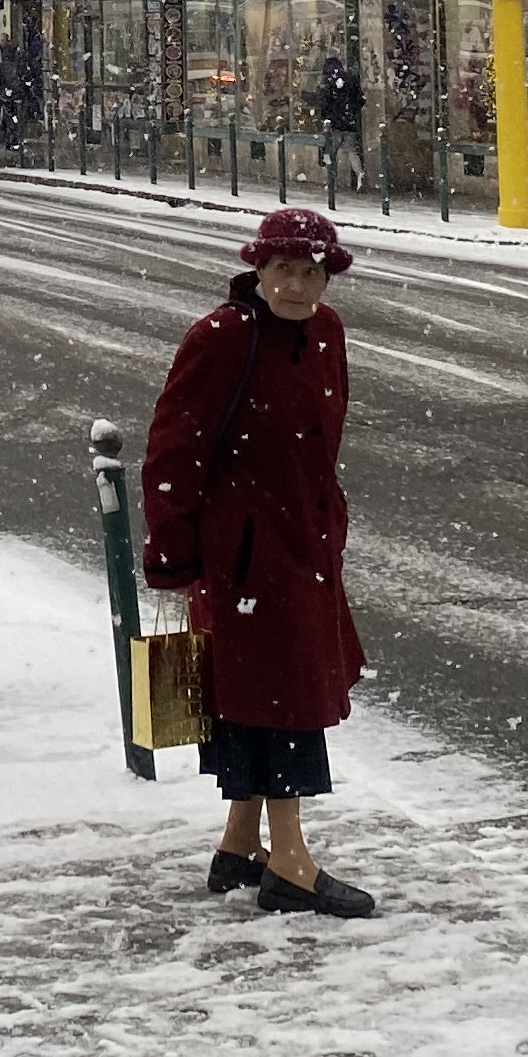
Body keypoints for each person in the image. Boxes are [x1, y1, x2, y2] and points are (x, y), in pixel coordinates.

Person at [139, 203, 373, 919]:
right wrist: (174, 553)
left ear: (328, 279)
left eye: (310, 274)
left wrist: (327, 519)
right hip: (244, 553)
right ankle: (292, 861)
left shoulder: (326, 334)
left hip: (303, 542)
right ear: (257, 270)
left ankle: (241, 844)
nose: (296, 288)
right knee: (282, 700)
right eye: (282, 271)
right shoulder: (223, 337)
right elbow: (173, 448)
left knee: (259, 696)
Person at [311, 53, 364, 181]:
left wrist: (325, 115)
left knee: (330, 152)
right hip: (349, 122)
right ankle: (359, 173)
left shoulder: (329, 82)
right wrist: (351, 112)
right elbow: (360, 99)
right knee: (351, 151)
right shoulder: (350, 80)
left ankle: (331, 180)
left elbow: (324, 102)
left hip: (333, 123)